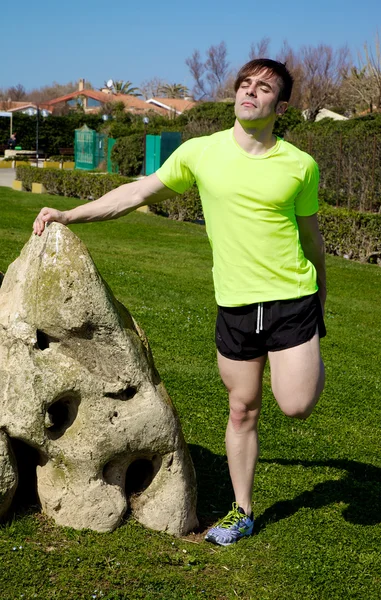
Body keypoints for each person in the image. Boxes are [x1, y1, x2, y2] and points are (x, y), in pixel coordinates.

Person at [33, 58, 326, 547]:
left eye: (264, 88)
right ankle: (243, 511)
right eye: (245, 85)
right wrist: (70, 214)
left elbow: (312, 241)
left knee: (295, 405)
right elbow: (136, 193)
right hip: (234, 304)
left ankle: (308, 354)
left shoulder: (300, 165)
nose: (250, 92)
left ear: (282, 105)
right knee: (242, 409)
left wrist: (320, 302)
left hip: (292, 300)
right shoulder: (201, 153)